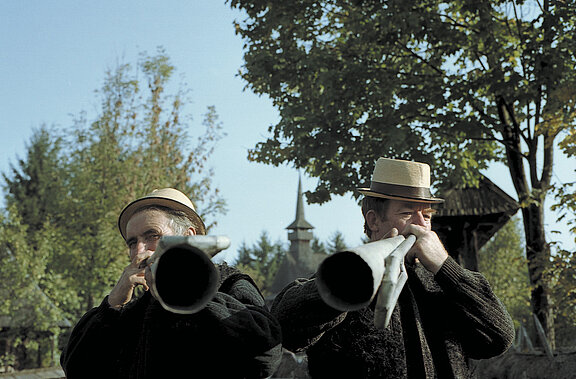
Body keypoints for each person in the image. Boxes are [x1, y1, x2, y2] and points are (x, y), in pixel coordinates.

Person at [271, 158, 515, 378]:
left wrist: (446, 267)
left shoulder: (443, 286)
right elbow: (285, 328)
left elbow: (499, 338)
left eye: (427, 215)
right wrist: (348, 282)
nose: (421, 226)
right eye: (408, 213)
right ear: (373, 220)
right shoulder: (343, 280)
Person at [61, 188, 282, 378]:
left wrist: (186, 292)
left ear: (189, 236)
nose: (139, 251)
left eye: (152, 235)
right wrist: (112, 304)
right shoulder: (133, 309)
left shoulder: (230, 285)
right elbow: (77, 370)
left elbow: (267, 355)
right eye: (132, 242)